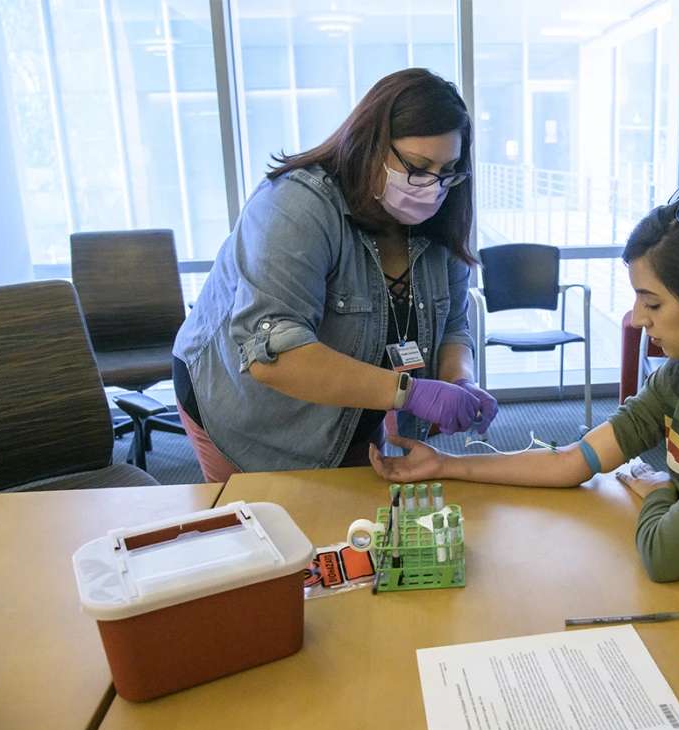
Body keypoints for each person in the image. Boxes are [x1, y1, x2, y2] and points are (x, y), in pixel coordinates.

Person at [370, 182, 679, 707]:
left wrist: (664, 490)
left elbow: (668, 552)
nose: (638, 318)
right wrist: (448, 463)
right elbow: (572, 461)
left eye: (652, 301)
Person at [173, 68, 497, 482]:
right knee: (270, 526)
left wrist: (459, 381)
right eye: (417, 167)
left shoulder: (440, 217)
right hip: (246, 410)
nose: (433, 187)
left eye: (448, 170)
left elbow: (454, 326)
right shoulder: (296, 205)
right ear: (372, 144)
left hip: (354, 406)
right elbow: (274, 355)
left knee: (357, 525)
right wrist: (410, 393)